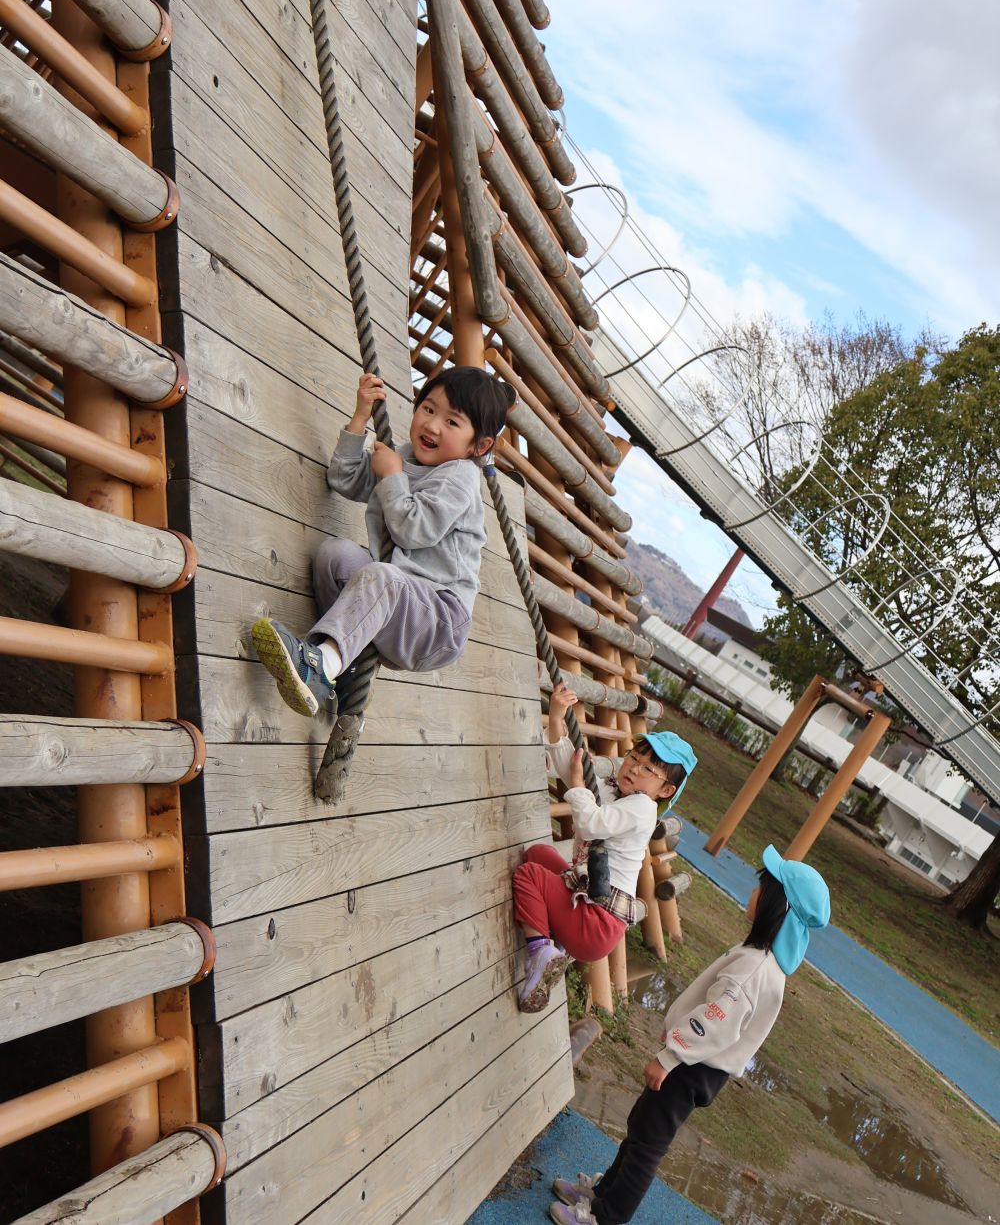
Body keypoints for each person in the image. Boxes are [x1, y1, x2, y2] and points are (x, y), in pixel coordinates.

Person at [548, 844, 831, 1225]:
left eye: (761, 889)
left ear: (776, 908)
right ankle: (603, 1194)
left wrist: (670, 1058)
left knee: (647, 1144)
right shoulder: (761, 960)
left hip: (692, 1066)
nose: (753, 893)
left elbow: (715, 1023)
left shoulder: (755, 969)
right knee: (641, 1128)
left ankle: (606, 1216)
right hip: (696, 1064)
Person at [251, 366, 514, 716]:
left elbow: (413, 531)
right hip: (395, 601)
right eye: (428, 409)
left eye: (452, 422)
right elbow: (344, 479)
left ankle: (319, 666)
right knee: (335, 556)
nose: (432, 425)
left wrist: (392, 475)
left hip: (438, 620)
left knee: (382, 576)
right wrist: (360, 417)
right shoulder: (403, 456)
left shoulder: (460, 477)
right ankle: (342, 667)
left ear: (479, 445)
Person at [513, 681, 697, 1013]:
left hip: (597, 923)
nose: (634, 768)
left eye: (648, 769)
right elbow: (570, 768)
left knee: (529, 875)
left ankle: (541, 952)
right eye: (633, 757)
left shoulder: (641, 808)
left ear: (665, 790)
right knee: (538, 855)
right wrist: (556, 717)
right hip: (587, 903)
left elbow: (589, 823)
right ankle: (556, 941)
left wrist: (580, 787)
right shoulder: (616, 792)